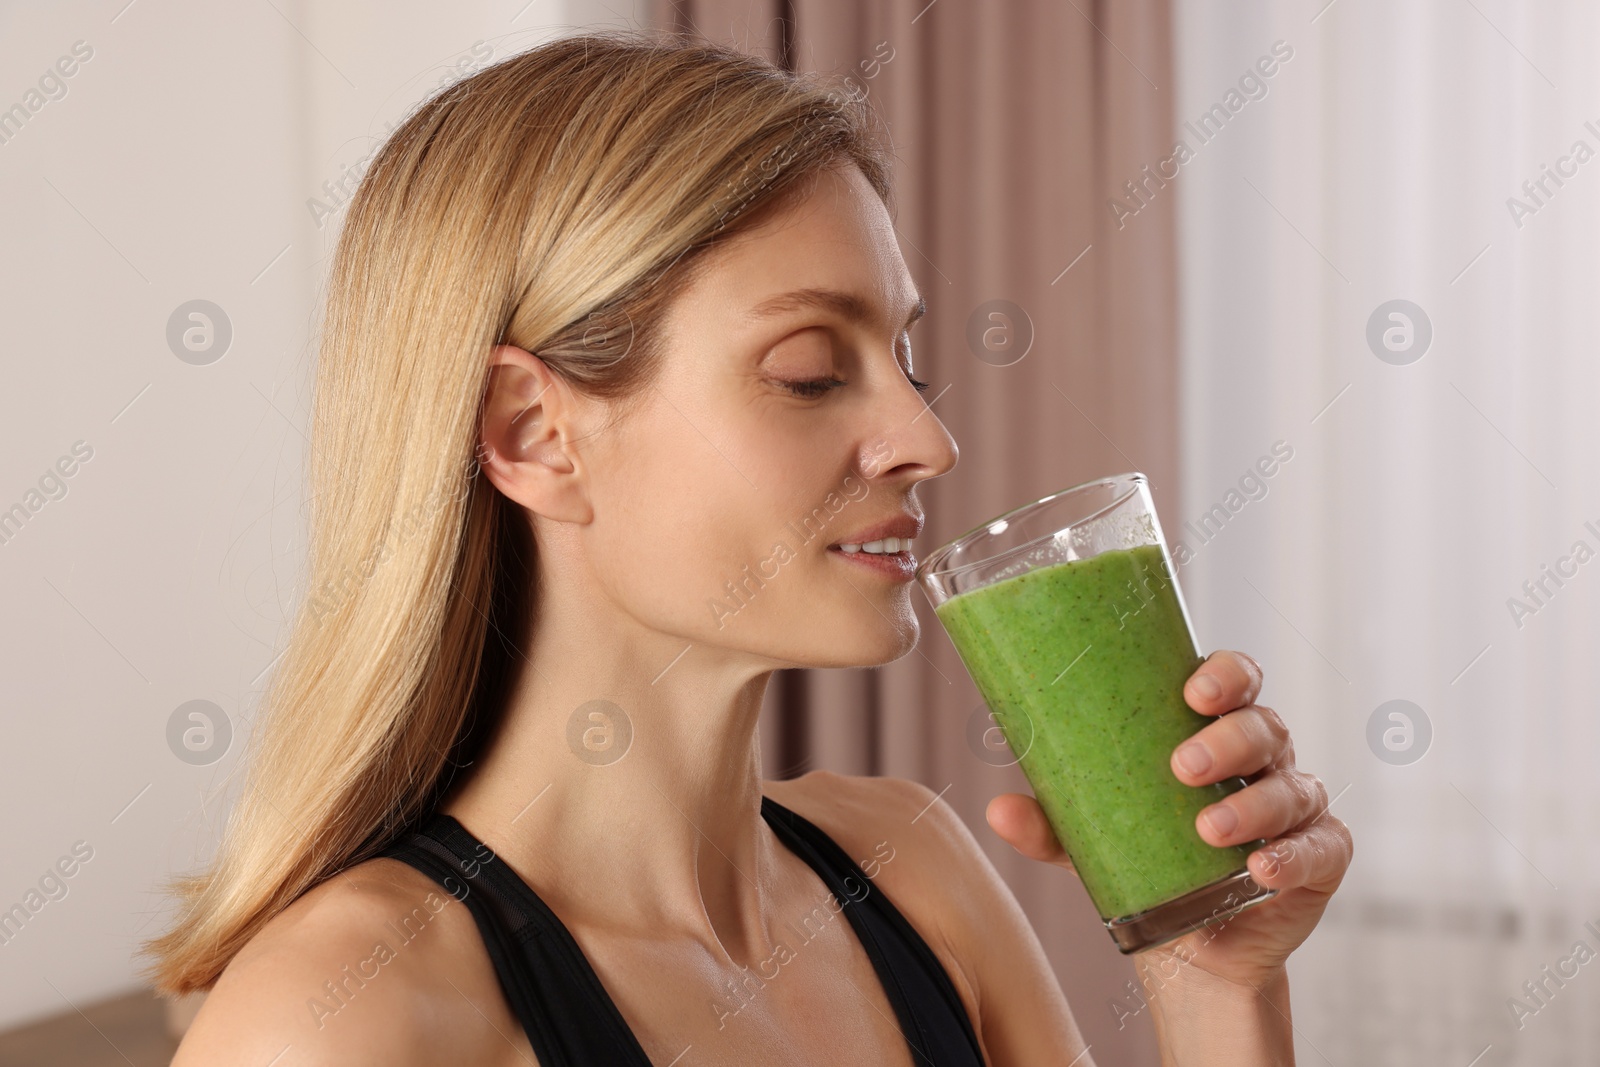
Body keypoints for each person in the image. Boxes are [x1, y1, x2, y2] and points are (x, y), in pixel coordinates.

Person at [148, 29, 1352, 1066]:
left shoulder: (910, 869)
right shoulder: (341, 1017)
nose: (926, 437)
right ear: (532, 433)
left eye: (906, 362)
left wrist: (1213, 981)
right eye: (809, 372)